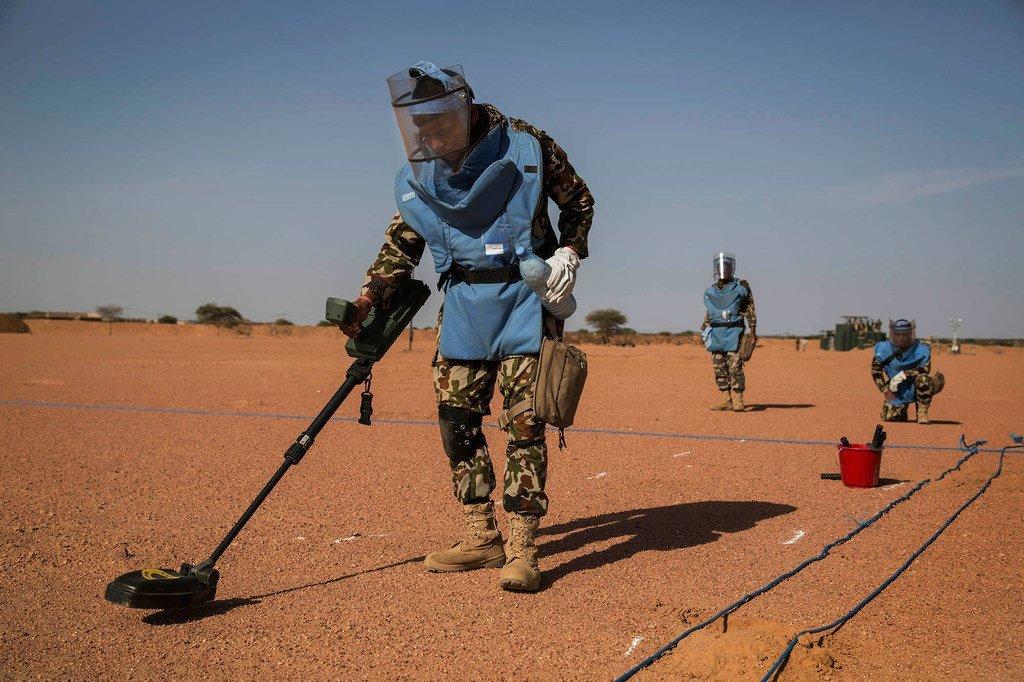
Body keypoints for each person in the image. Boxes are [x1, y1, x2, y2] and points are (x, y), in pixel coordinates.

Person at [340, 62, 594, 592]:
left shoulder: (526, 145)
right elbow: (405, 239)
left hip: (527, 298)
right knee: (456, 422)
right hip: (462, 304)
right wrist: (369, 295)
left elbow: (579, 201)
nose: (429, 135)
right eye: (420, 126)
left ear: (464, 108)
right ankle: (480, 537)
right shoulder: (424, 169)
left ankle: (524, 548)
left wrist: (570, 251)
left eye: (437, 122)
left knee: (525, 424)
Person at [700, 252, 756, 412]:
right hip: (716, 333)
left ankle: (738, 400)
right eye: (721, 266)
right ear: (716, 268)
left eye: (727, 265)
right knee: (719, 368)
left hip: (735, 332)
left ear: (732, 268)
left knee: (735, 367)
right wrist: (704, 330)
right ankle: (726, 400)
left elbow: (750, 308)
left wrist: (753, 330)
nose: (724, 268)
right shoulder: (712, 290)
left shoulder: (742, 286)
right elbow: (711, 312)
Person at [871, 319, 945, 423]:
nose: (901, 338)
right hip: (896, 388)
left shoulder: (921, 349)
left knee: (923, 379)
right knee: (889, 417)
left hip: (916, 386)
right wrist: (885, 390)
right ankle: (901, 410)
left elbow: (925, 370)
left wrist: (903, 375)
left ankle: (922, 411)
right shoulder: (884, 349)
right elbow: (876, 371)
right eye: (898, 334)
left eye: (904, 334)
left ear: (910, 334)